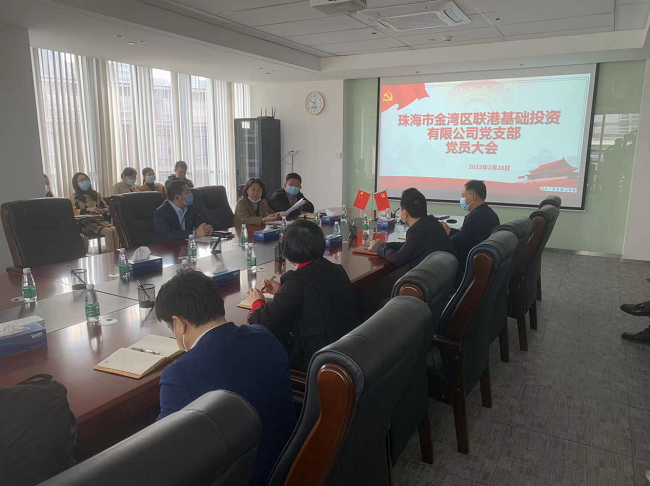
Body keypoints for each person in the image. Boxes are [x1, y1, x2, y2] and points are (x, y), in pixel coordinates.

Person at [155, 269, 296, 486]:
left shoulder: (179, 376)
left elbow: (166, 451)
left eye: (171, 328)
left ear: (179, 323)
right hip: (290, 467)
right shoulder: (264, 336)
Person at [247, 220, 358, 372]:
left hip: (315, 360)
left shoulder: (296, 281)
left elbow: (264, 322)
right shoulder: (336, 269)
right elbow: (312, 294)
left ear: (287, 250)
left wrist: (257, 302)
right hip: (346, 349)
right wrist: (282, 290)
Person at [369, 188, 455, 269]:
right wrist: (386, 245)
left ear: (404, 213)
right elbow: (409, 246)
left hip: (428, 277)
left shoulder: (418, 230)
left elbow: (398, 258)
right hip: (443, 274)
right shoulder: (432, 222)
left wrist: (378, 247)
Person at [442, 179, 500, 273]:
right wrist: (450, 231)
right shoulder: (486, 212)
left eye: (463, 196)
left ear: (473, 197)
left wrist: (439, 239)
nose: (462, 199)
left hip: (467, 266)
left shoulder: (477, 216)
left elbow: (457, 242)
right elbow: (467, 235)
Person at [69, 172, 120, 252]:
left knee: (114, 229)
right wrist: (87, 210)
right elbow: (73, 211)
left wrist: (103, 210)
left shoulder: (96, 194)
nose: (84, 182)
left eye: (86, 180)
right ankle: (111, 255)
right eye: (81, 181)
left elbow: (106, 207)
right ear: (76, 184)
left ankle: (117, 253)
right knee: (108, 231)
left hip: (99, 221)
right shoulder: (74, 197)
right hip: (86, 223)